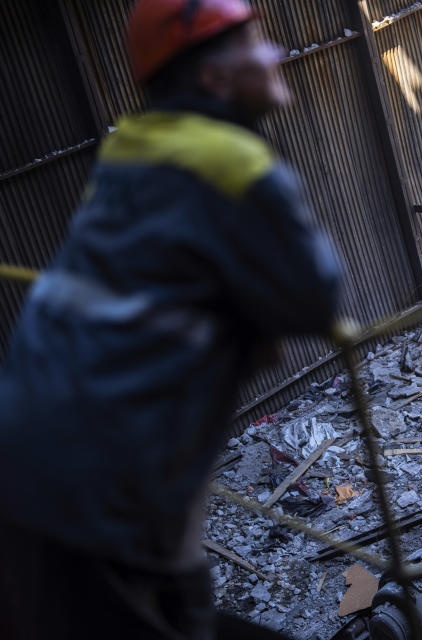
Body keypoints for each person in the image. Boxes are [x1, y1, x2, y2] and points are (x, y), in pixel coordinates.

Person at [0, 1, 342, 637]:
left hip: (29, 465)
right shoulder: (235, 165)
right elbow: (319, 296)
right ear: (213, 78)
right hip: (91, 503)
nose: (278, 53)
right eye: (258, 40)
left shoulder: (128, 152)